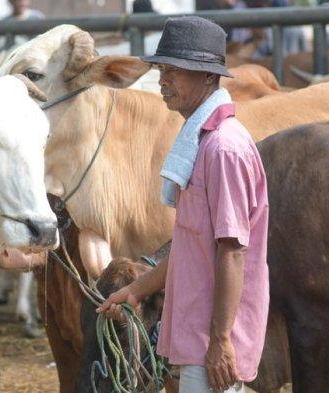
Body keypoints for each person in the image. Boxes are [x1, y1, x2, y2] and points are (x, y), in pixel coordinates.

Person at [97, 16, 270, 393]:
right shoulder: (200, 143)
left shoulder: (222, 149)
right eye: (162, 69)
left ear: (208, 77)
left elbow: (232, 251)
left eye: (176, 70)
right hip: (198, 331)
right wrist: (136, 291)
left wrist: (222, 340)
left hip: (213, 337)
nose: (163, 80)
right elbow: (193, 247)